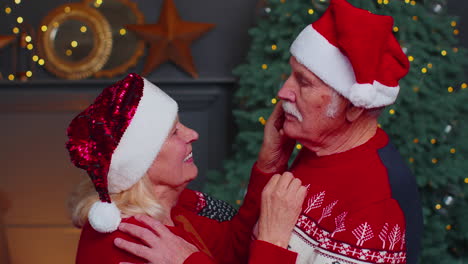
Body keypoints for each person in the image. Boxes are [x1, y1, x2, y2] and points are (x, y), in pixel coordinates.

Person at [116, 0, 423, 263]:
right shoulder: (316, 151)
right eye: (291, 74)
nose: (283, 91)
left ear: (354, 106)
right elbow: (244, 248)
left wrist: (190, 261)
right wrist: (268, 168)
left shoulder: (378, 206)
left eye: (304, 82)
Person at [66, 73, 307, 264]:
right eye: (173, 133)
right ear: (140, 164)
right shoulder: (133, 241)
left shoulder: (174, 214)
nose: (192, 134)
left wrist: (268, 165)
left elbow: (235, 246)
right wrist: (274, 241)